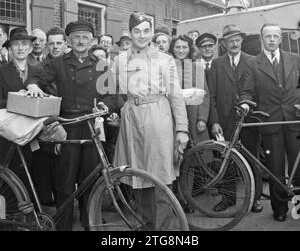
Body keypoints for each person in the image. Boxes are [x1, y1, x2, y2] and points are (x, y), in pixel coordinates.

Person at [26, 20, 120, 231]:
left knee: (91, 182)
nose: (80, 41)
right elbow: (36, 77)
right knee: (65, 184)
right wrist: (32, 85)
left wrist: (105, 105)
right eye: (76, 37)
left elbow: (114, 96)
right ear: (69, 40)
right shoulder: (57, 63)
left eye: (85, 37)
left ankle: (90, 225)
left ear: (92, 40)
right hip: (66, 126)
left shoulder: (100, 64)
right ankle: (63, 227)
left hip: (91, 127)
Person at [113, 12, 189, 230]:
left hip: (158, 120)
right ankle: (147, 227)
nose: (142, 35)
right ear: (130, 33)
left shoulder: (165, 60)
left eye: (147, 30)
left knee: (161, 180)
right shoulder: (119, 60)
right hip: (132, 123)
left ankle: (165, 230)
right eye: (137, 31)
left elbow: (176, 96)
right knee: (138, 179)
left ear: (152, 32)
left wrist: (182, 129)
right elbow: (114, 93)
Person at [240, 23, 300, 222]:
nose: (272, 40)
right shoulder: (253, 63)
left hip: (294, 120)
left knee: (297, 167)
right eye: (268, 36)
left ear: (281, 38)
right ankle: (279, 208)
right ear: (261, 39)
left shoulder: (295, 59)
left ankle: (298, 206)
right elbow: (247, 90)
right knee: (275, 169)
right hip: (270, 122)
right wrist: (245, 103)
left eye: (275, 36)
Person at [208, 24, 263, 213]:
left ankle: (255, 199)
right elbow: (211, 95)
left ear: (242, 40)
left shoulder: (253, 61)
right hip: (225, 120)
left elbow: (258, 91)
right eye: (230, 40)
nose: (234, 43)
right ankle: (228, 198)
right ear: (224, 44)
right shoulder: (217, 64)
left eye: (237, 39)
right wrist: (214, 121)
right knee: (225, 159)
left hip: (248, 119)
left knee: (252, 158)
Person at [0, 28, 42, 195]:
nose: (20, 48)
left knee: (33, 173)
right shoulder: (2, 71)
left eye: (24, 44)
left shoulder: (39, 71)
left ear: (31, 48)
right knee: (10, 175)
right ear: (9, 49)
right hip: (8, 132)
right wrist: (16, 100)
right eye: (16, 44)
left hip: (34, 132)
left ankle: (31, 214)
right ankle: (11, 216)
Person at [31, 26, 68, 208]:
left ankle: (65, 204)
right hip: (49, 123)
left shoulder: (71, 64)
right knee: (47, 164)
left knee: (66, 168)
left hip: (70, 119)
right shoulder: (40, 68)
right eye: (51, 44)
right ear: (47, 45)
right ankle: (48, 205)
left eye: (58, 43)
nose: (55, 47)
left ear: (65, 44)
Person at [170, 35, 210, 144]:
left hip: (194, 114)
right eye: (177, 47)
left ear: (190, 49)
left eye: (184, 47)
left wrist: (202, 118)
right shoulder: (168, 67)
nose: (181, 50)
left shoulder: (196, 67)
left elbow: (204, 94)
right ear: (172, 49)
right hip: (173, 116)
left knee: (197, 151)